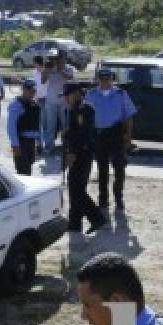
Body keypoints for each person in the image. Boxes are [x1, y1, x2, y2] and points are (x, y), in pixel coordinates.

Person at [85, 68, 137, 213]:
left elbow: (128, 116)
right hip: (99, 135)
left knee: (119, 168)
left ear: (112, 79)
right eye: (102, 79)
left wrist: (128, 136)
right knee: (102, 169)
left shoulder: (121, 94)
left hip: (116, 133)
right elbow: (86, 116)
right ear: (98, 79)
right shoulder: (91, 95)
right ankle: (103, 200)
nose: (105, 82)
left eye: (108, 79)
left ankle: (118, 197)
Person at [62, 83, 106, 234]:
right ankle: (75, 223)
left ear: (76, 93)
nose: (66, 98)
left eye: (68, 95)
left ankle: (97, 218)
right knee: (74, 189)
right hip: (75, 152)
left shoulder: (85, 110)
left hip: (82, 154)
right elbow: (72, 132)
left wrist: (73, 152)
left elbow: (83, 134)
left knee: (77, 189)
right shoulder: (73, 109)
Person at [42, 48, 75, 156]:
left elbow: (70, 80)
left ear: (64, 58)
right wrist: (46, 70)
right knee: (50, 125)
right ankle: (49, 146)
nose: (58, 60)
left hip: (64, 101)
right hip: (51, 101)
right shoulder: (51, 67)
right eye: (57, 58)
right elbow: (43, 81)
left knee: (66, 125)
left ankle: (66, 146)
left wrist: (60, 70)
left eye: (60, 58)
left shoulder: (69, 68)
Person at [7, 79, 42, 175]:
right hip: (21, 143)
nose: (32, 93)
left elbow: (38, 125)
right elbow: (11, 127)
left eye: (34, 91)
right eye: (30, 90)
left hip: (31, 143)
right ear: (24, 90)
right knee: (23, 172)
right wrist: (15, 145)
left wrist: (39, 143)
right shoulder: (15, 105)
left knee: (28, 171)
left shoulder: (34, 105)